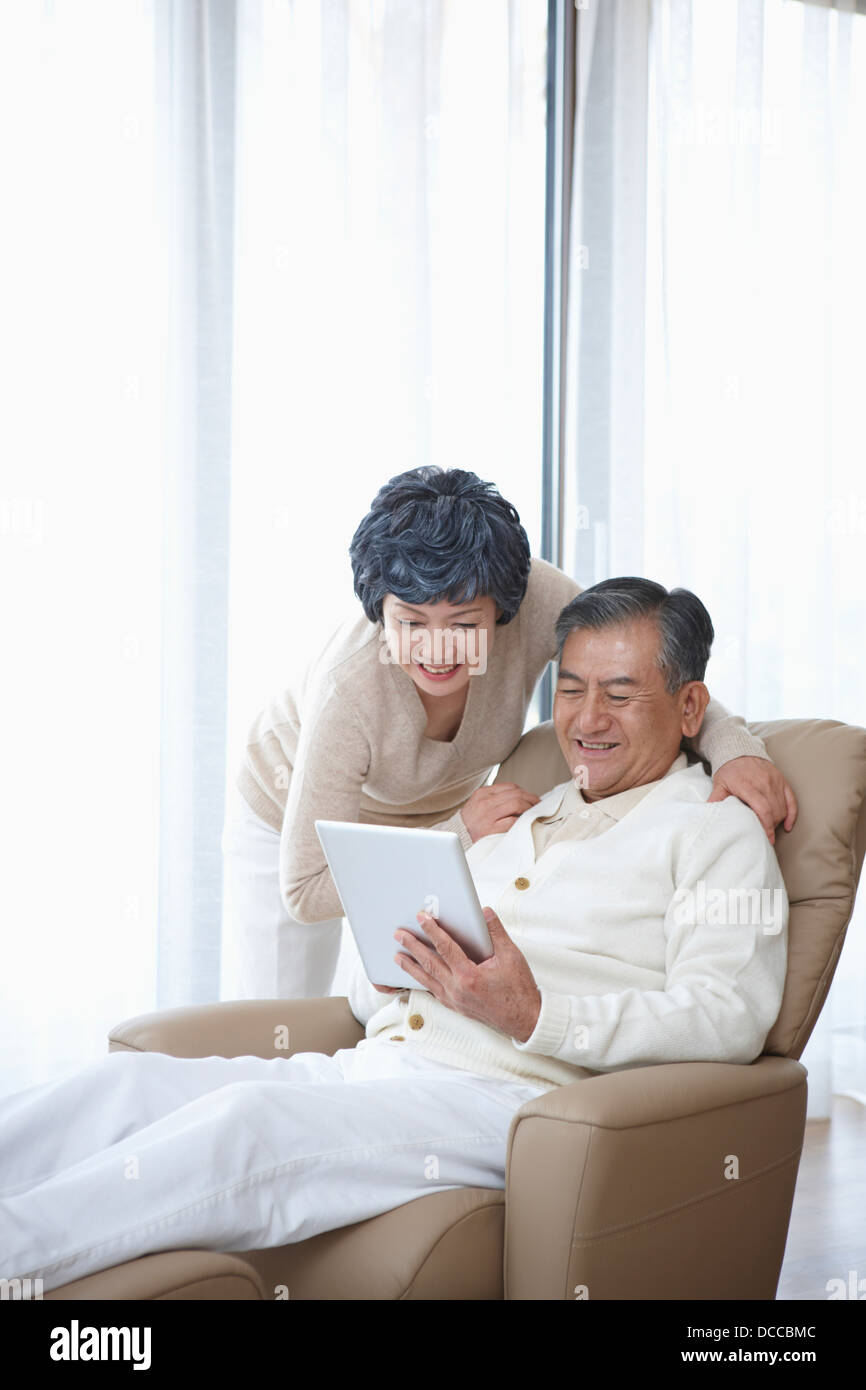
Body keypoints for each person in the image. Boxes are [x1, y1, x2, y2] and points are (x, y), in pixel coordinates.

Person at [1, 578, 787, 1294]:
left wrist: (536, 1015)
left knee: (247, 1127)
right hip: (373, 1067)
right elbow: (362, 992)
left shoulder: (716, 831)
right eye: (572, 690)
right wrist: (391, 964)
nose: (585, 720)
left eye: (620, 694)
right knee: (125, 1088)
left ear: (690, 710)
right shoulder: (522, 813)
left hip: (511, 1098)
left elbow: (728, 1014)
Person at [222, 466, 797, 1000]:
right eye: (410, 623)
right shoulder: (348, 692)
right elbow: (303, 891)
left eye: (465, 624)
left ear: (504, 608)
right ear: (379, 610)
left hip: (440, 817)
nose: (437, 650)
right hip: (296, 821)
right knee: (277, 1021)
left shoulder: (543, 601)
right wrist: (460, 832)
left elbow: (651, 676)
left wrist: (734, 753)